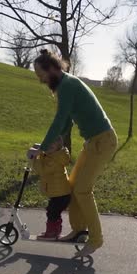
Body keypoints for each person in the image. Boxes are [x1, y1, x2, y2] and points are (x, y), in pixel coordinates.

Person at [27, 49, 118, 256]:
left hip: (103, 142)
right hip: (93, 142)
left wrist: (42, 147)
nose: (40, 79)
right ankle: (78, 230)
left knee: (83, 190)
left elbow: (60, 119)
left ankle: (96, 239)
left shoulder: (67, 85)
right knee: (74, 186)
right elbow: (67, 121)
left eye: (40, 74)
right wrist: (55, 142)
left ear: (51, 69)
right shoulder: (65, 85)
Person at [30, 136, 72, 241]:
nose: (48, 148)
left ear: (58, 148)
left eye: (52, 147)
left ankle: (52, 233)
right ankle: (54, 231)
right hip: (60, 193)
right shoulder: (53, 155)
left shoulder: (55, 160)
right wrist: (39, 151)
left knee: (52, 212)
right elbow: (45, 157)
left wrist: (34, 157)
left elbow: (42, 170)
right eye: (47, 145)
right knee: (53, 212)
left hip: (60, 194)